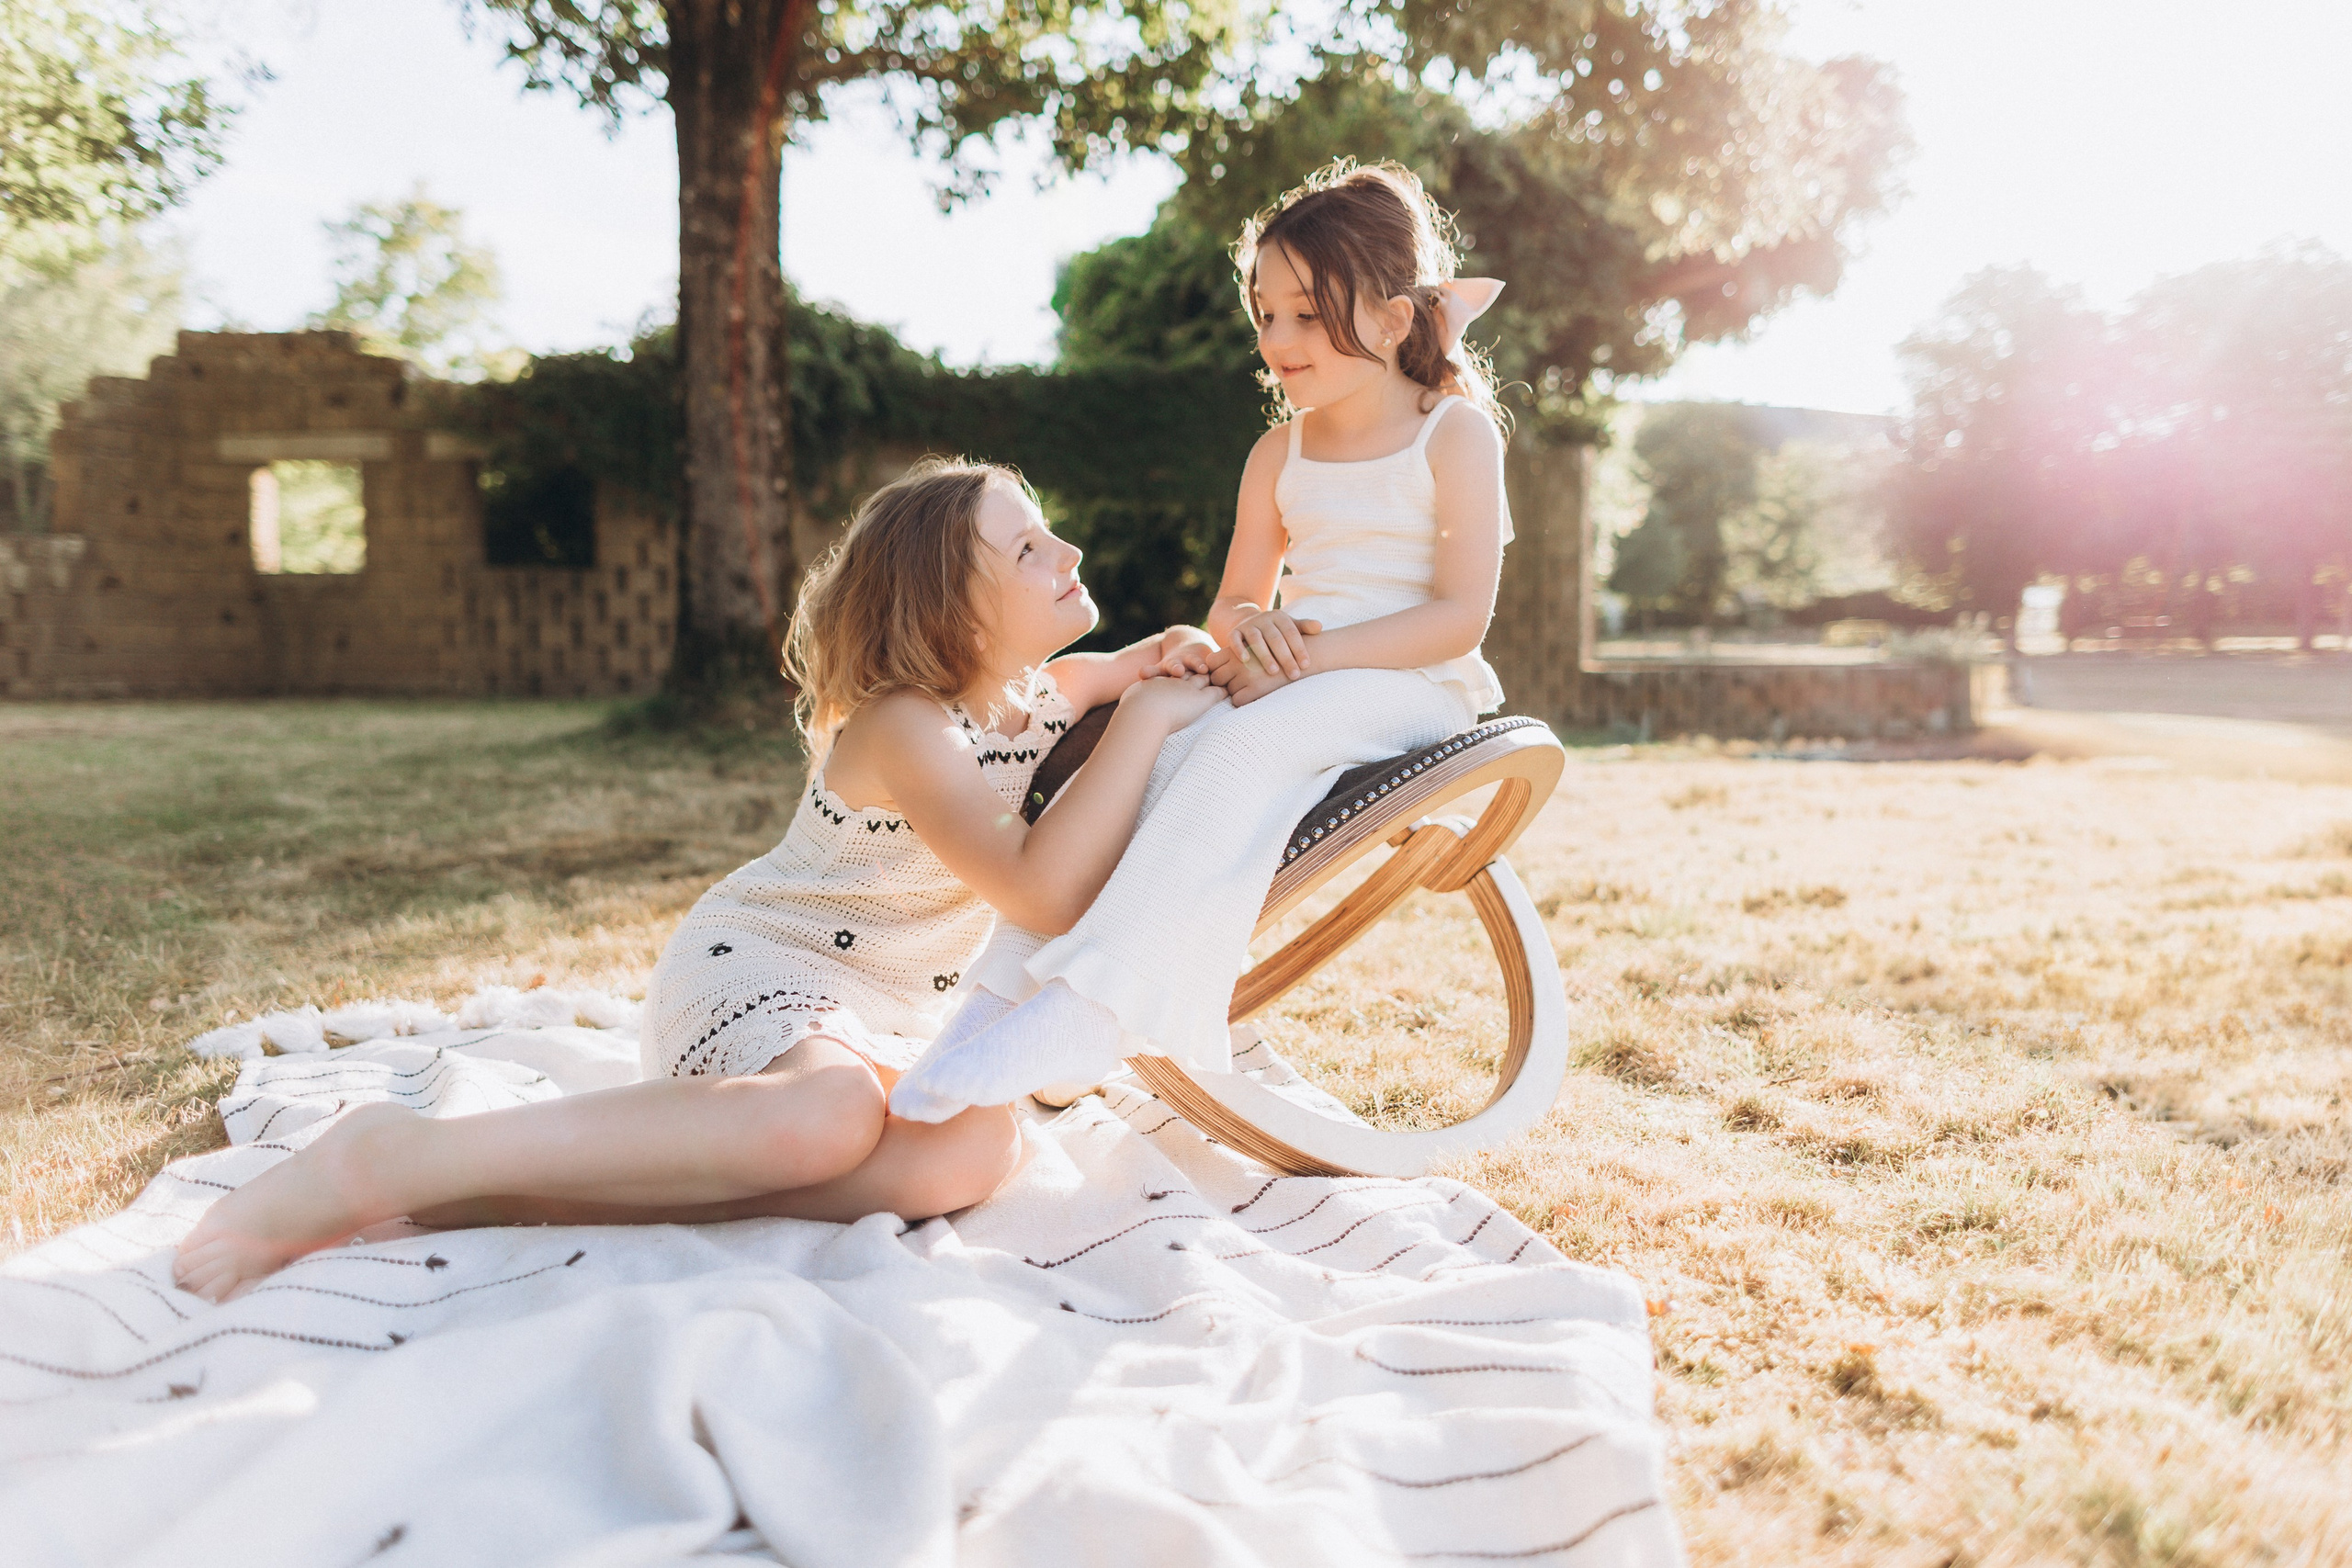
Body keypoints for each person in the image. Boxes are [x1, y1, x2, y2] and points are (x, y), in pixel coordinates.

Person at [173, 459, 1224, 1303]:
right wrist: (1142, 722)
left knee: (976, 1151)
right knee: (824, 1121)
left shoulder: (1037, 694)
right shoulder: (907, 723)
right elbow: (1038, 891)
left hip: (875, 1023)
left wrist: (1170, 661)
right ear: (952, 607)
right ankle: (392, 1160)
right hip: (761, 968)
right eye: (1028, 546)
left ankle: (507, 1197)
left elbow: (1142, 665)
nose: (1069, 551)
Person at [888, 159, 1512, 1120]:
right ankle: (990, 1006)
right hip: (1289, 675)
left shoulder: (1453, 435)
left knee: (1242, 744)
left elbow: (1458, 616)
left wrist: (1302, 659)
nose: (1278, 339)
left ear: (1393, 321)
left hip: (1408, 680)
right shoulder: (1277, 453)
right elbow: (1233, 601)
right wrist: (1252, 630)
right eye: (1265, 315)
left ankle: (1099, 1005)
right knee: (1163, 754)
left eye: (1307, 314)